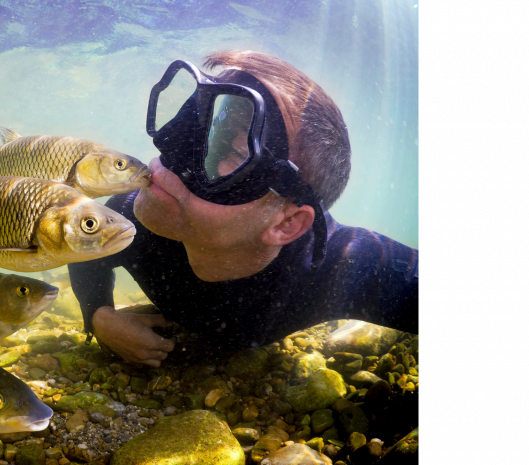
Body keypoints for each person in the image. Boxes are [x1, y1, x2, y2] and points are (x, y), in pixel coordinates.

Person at [68, 51, 419, 367]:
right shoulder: (129, 215)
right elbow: (83, 251)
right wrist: (100, 315)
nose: (167, 152)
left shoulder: (342, 266)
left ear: (287, 225)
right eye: (198, 121)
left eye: (234, 153)